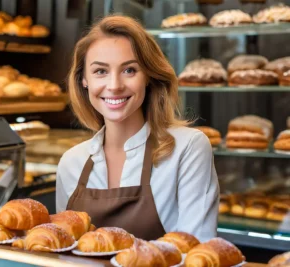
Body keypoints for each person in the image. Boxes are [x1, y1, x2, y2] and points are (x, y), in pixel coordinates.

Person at [56, 15, 219, 242]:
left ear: (149, 77)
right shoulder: (71, 163)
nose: (114, 86)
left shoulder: (188, 148)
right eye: (100, 71)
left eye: (129, 70)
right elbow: (65, 253)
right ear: (84, 80)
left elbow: (197, 251)